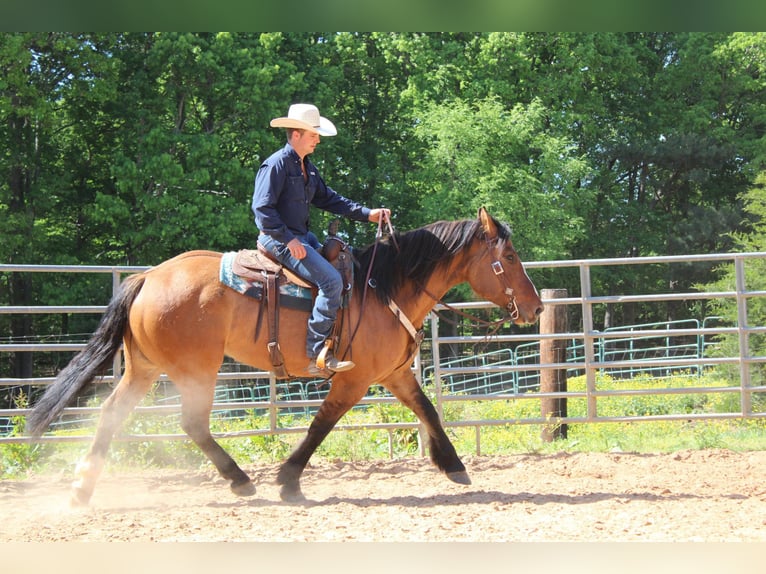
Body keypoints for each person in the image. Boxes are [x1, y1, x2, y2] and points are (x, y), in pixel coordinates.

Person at [252, 103, 390, 375]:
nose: (317, 140)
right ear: (296, 135)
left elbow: (330, 199)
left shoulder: (308, 169)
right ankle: (316, 351)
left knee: (344, 264)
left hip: (301, 237)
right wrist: (289, 240)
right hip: (278, 239)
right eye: (313, 135)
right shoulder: (276, 165)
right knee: (331, 280)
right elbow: (262, 210)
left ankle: (336, 339)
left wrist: (368, 214)